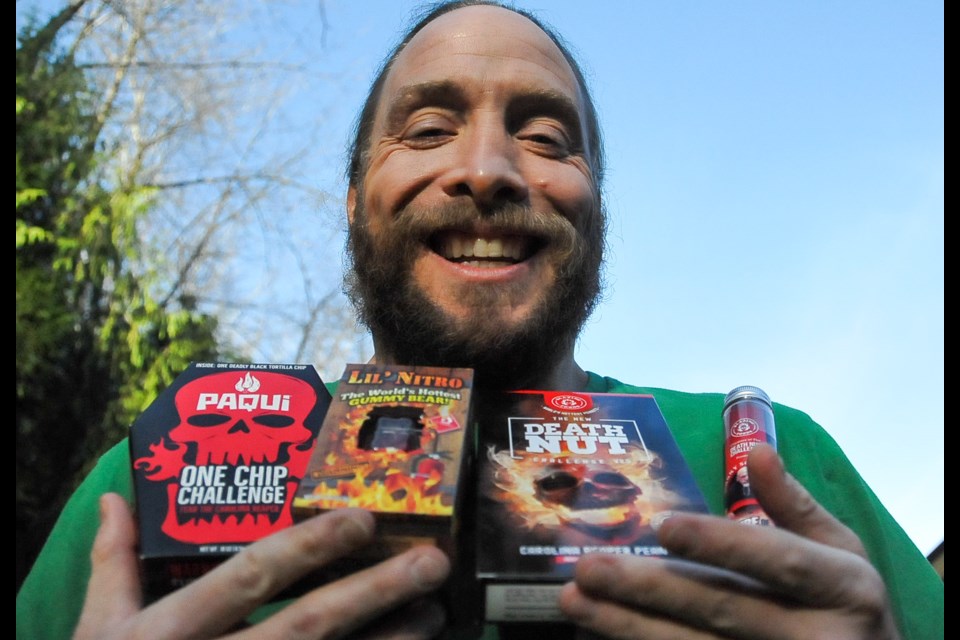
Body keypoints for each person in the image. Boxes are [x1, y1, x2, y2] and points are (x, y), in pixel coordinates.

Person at [16, 2, 943, 639]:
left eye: (546, 139)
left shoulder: (771, 464)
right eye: (426, 131)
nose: (489, 169)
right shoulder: (166, 471)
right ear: (352, 202)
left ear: (596, 210)